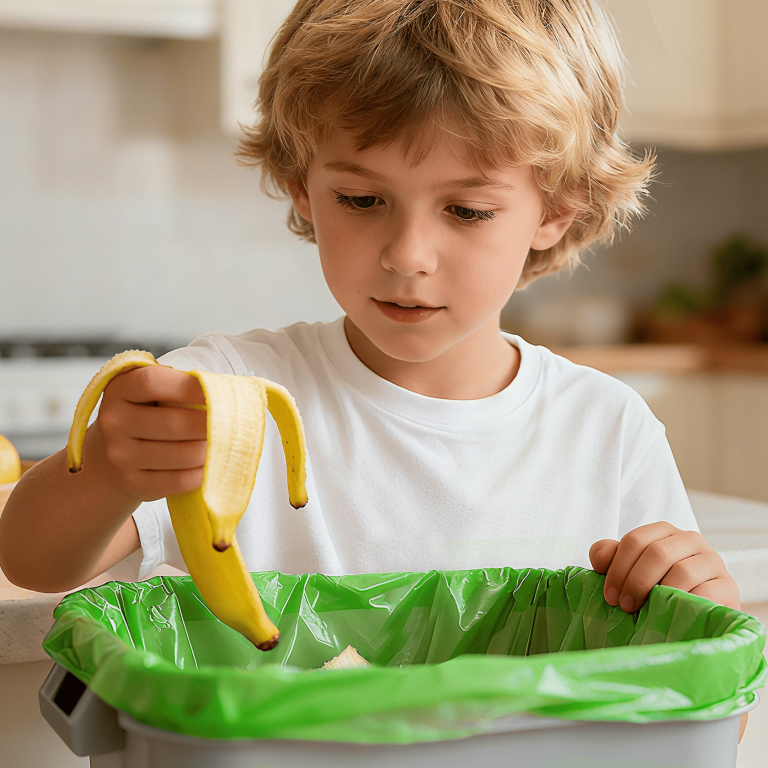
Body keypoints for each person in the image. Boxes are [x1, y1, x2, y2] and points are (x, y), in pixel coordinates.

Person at [0, 0, 744, 730]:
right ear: (302, 185)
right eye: (361, 198)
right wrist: (107, 467)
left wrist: (703, 607)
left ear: (559, 208)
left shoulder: (606, 432)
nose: (407, 256)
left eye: (467, 210)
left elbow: (708, 724)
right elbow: (33, 560)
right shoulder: (231, 393)